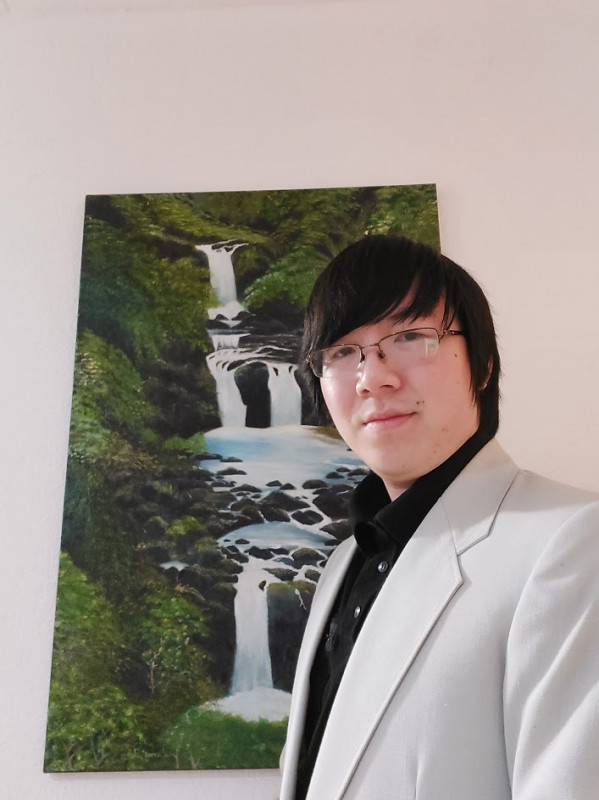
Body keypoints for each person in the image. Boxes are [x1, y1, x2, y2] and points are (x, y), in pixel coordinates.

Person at [279, 234, 599, 799]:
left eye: (409, 337)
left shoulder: (572, 541)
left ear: (481, 364)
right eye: (343, 351)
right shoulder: (346, 562)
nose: (372, 377)